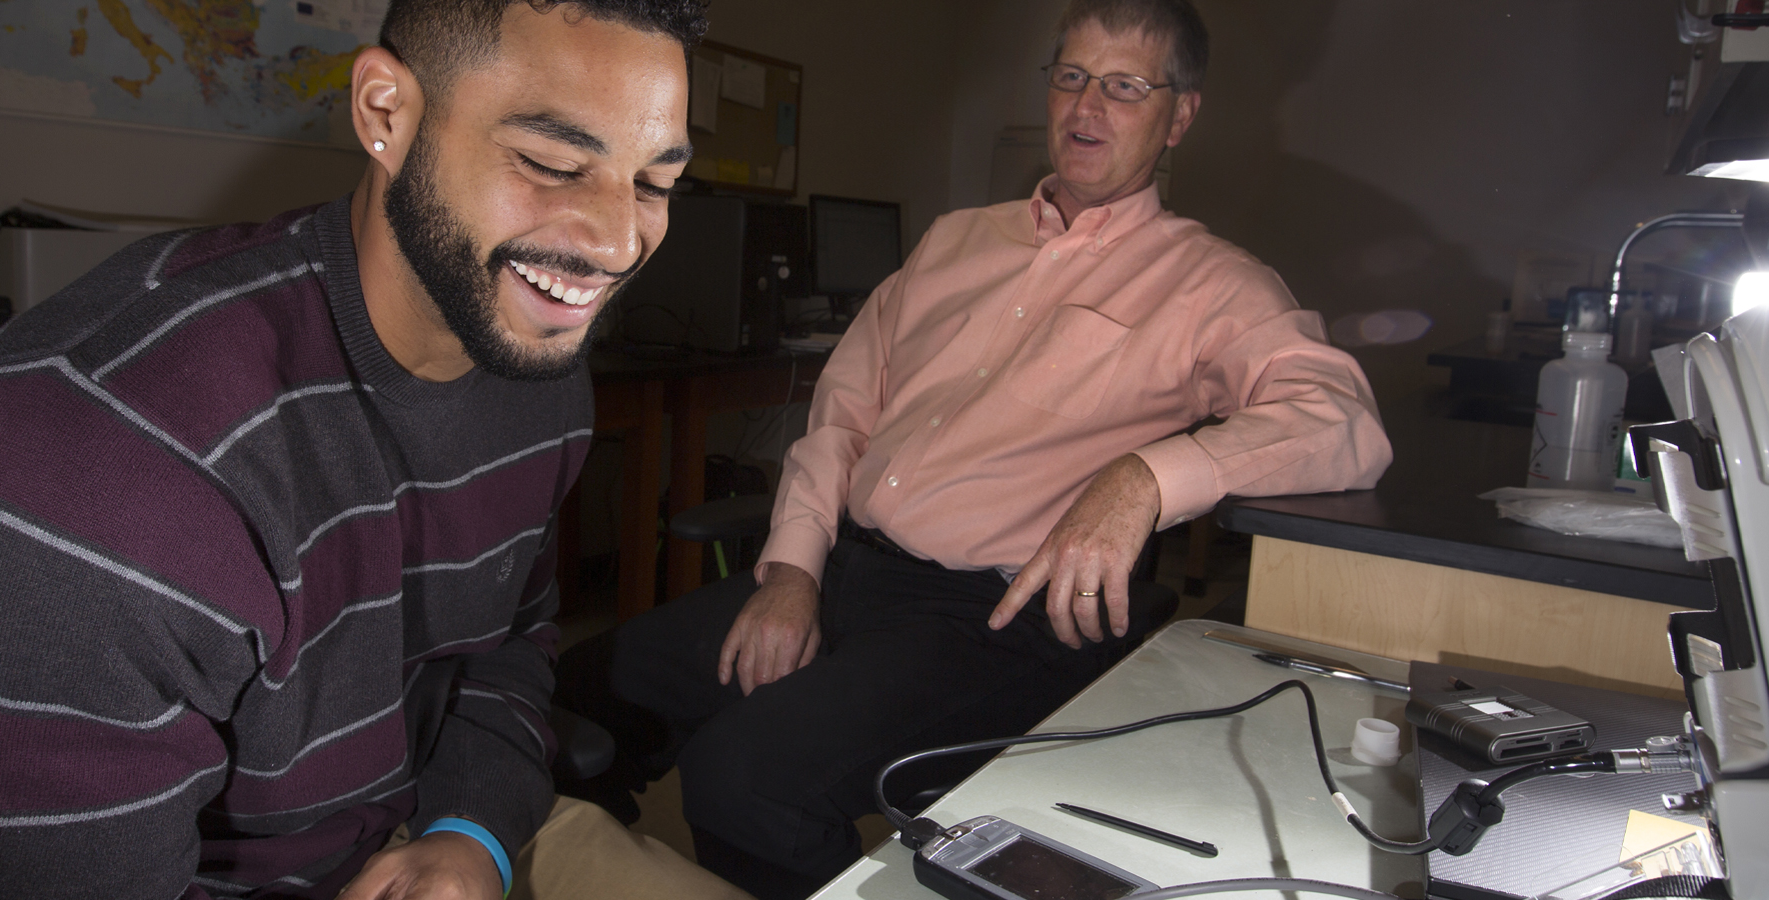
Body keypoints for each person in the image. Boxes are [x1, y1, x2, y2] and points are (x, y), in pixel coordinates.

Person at [0, 2, 752, 899]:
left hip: (425, 827)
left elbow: (509, 646)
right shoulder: (97, 469)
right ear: (386, 112)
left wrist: (470, 834)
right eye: (552, 162)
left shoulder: (537, 363)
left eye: (657, 183)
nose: (620, 240)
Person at [553, 0, 1394, 897]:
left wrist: (1146, 477)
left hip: (991, 620)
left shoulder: (1212, 282)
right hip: (844, 570)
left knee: (744, 778)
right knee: (580, 690)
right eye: (1070, 77)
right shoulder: (956, 241)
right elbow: (842, 412)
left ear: (1179, 114)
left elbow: (1344, 422)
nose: (1086, 107)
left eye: (1123, 86)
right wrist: (793, 571)